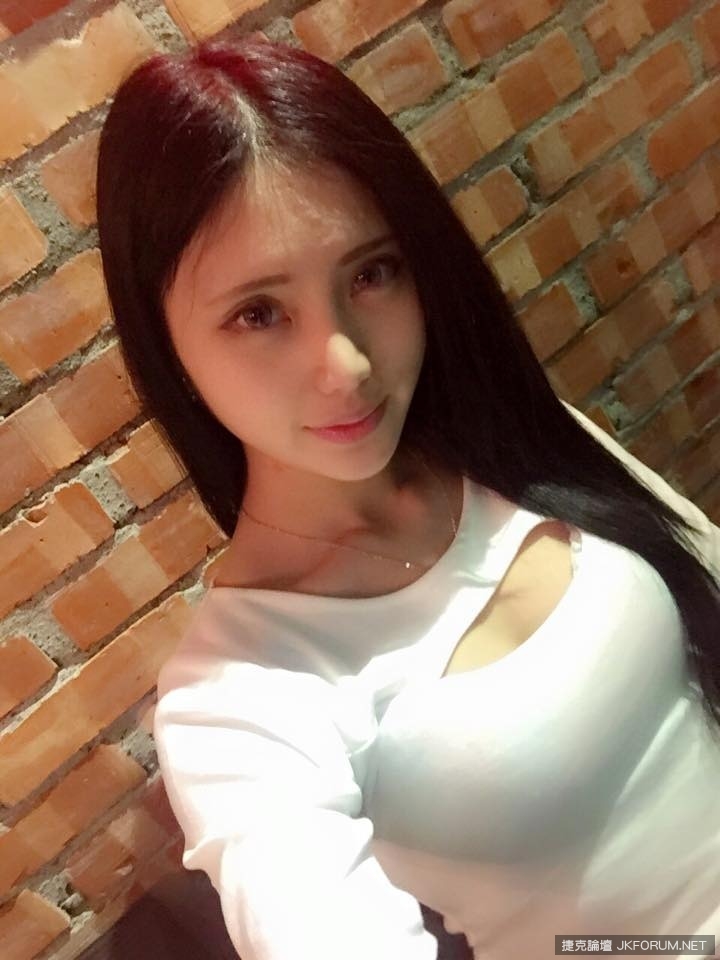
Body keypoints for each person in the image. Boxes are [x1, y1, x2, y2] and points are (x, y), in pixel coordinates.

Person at [96, 37, 720, 960]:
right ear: (167, 346)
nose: (346, 364)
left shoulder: (515, 439)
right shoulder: (238, 700)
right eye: (259, 313)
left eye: (371, 273)